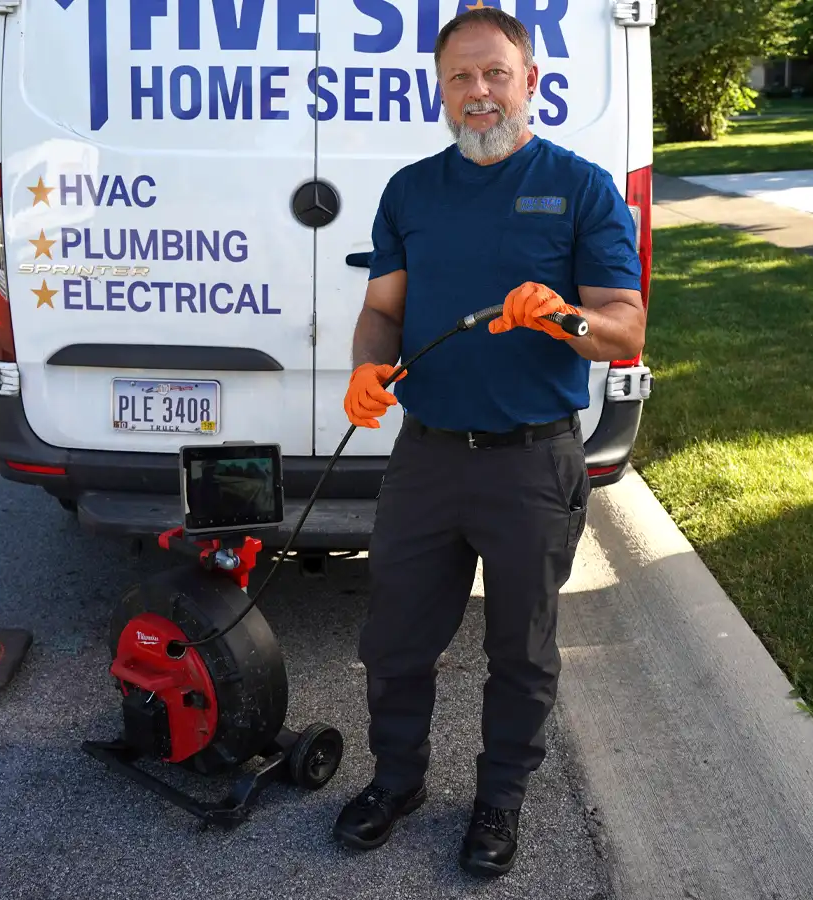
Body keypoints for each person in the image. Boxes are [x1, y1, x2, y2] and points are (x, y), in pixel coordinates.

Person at [333, 7, 646, 879]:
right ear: (439, 90)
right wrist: (368, 368)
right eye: (460, 78)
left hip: (531, 464)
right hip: (426, 457)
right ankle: (395, 781)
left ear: (530, 81)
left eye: (494, 74)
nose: (478, 93)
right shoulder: (411, 190)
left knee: (521, 650)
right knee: (394, 640)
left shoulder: (582, 188)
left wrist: (562, 314)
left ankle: (499, 800)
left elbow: (623, 332)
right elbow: (383, 310)